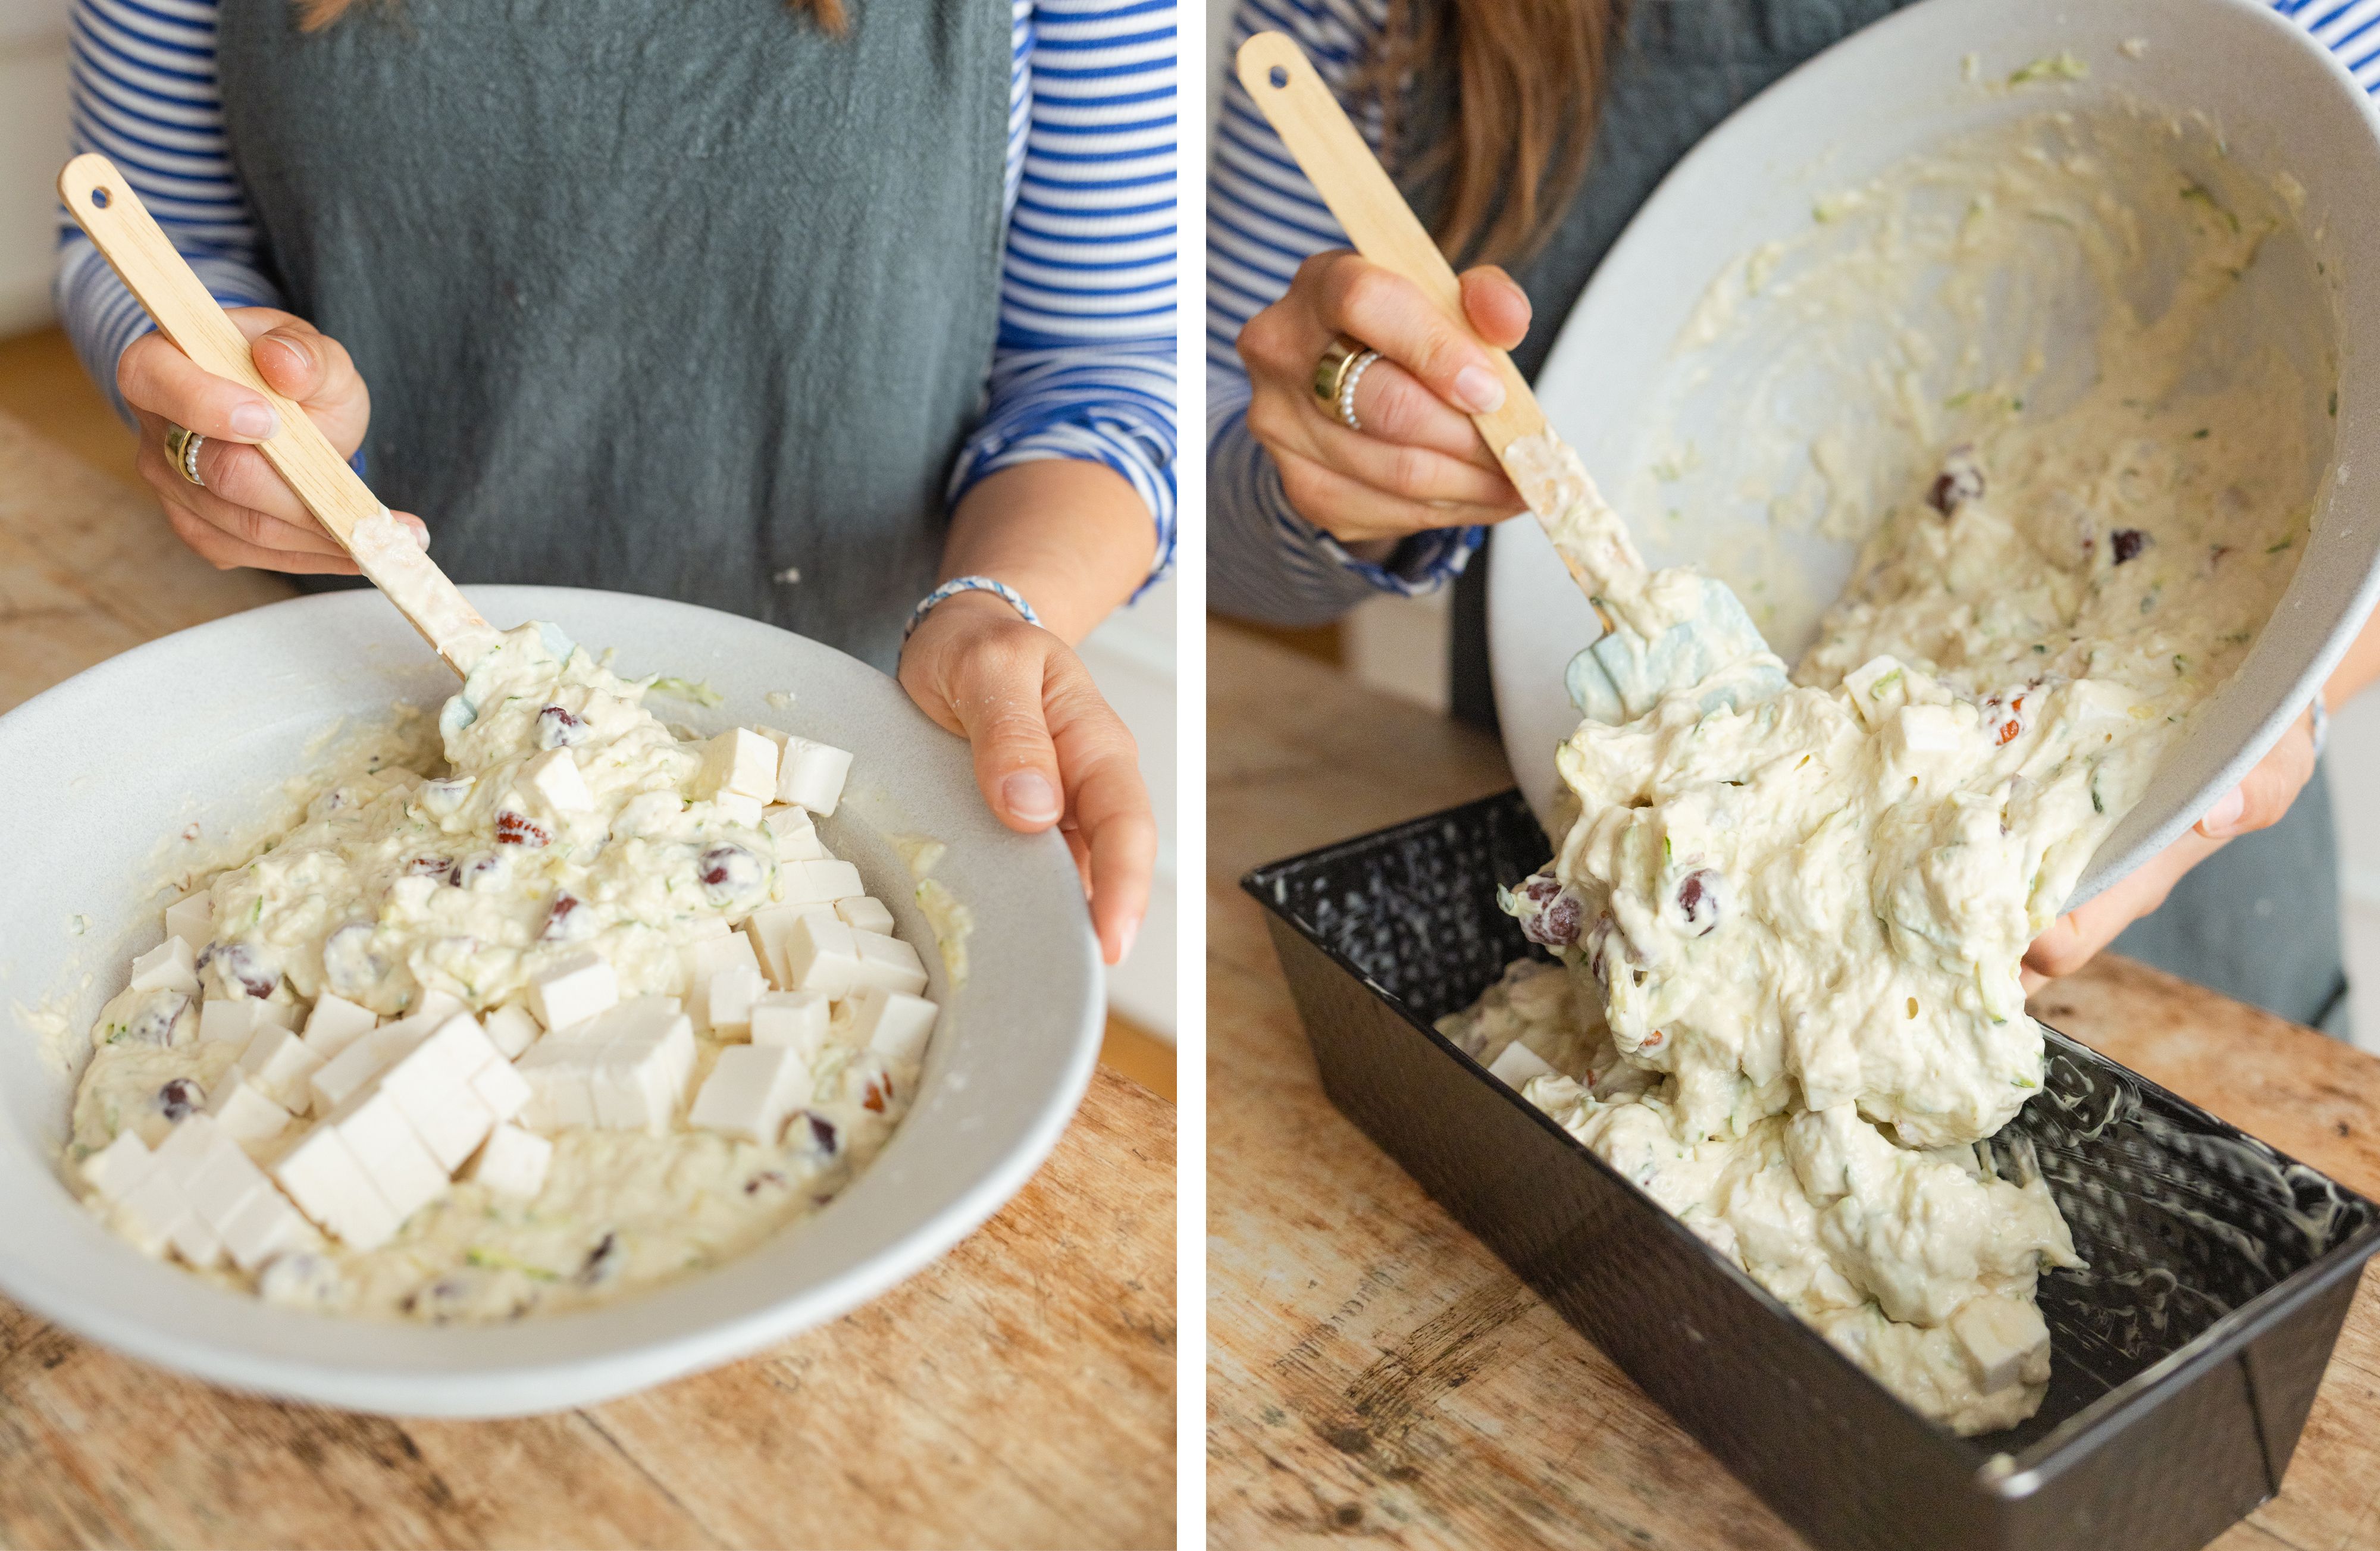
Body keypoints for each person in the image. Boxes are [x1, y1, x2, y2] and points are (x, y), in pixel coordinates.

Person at [1209, 0, 2380, 1033]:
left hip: (2202, 965)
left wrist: (2282, 702)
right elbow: (1198, 520)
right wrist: (1336, 476)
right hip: (1612, 925)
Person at [60, 0, 1176, 967]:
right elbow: (152, 237)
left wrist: (1000, 609)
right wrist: (223, 401)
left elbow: (1101, 371)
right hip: (329, 670)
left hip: (852, 733)